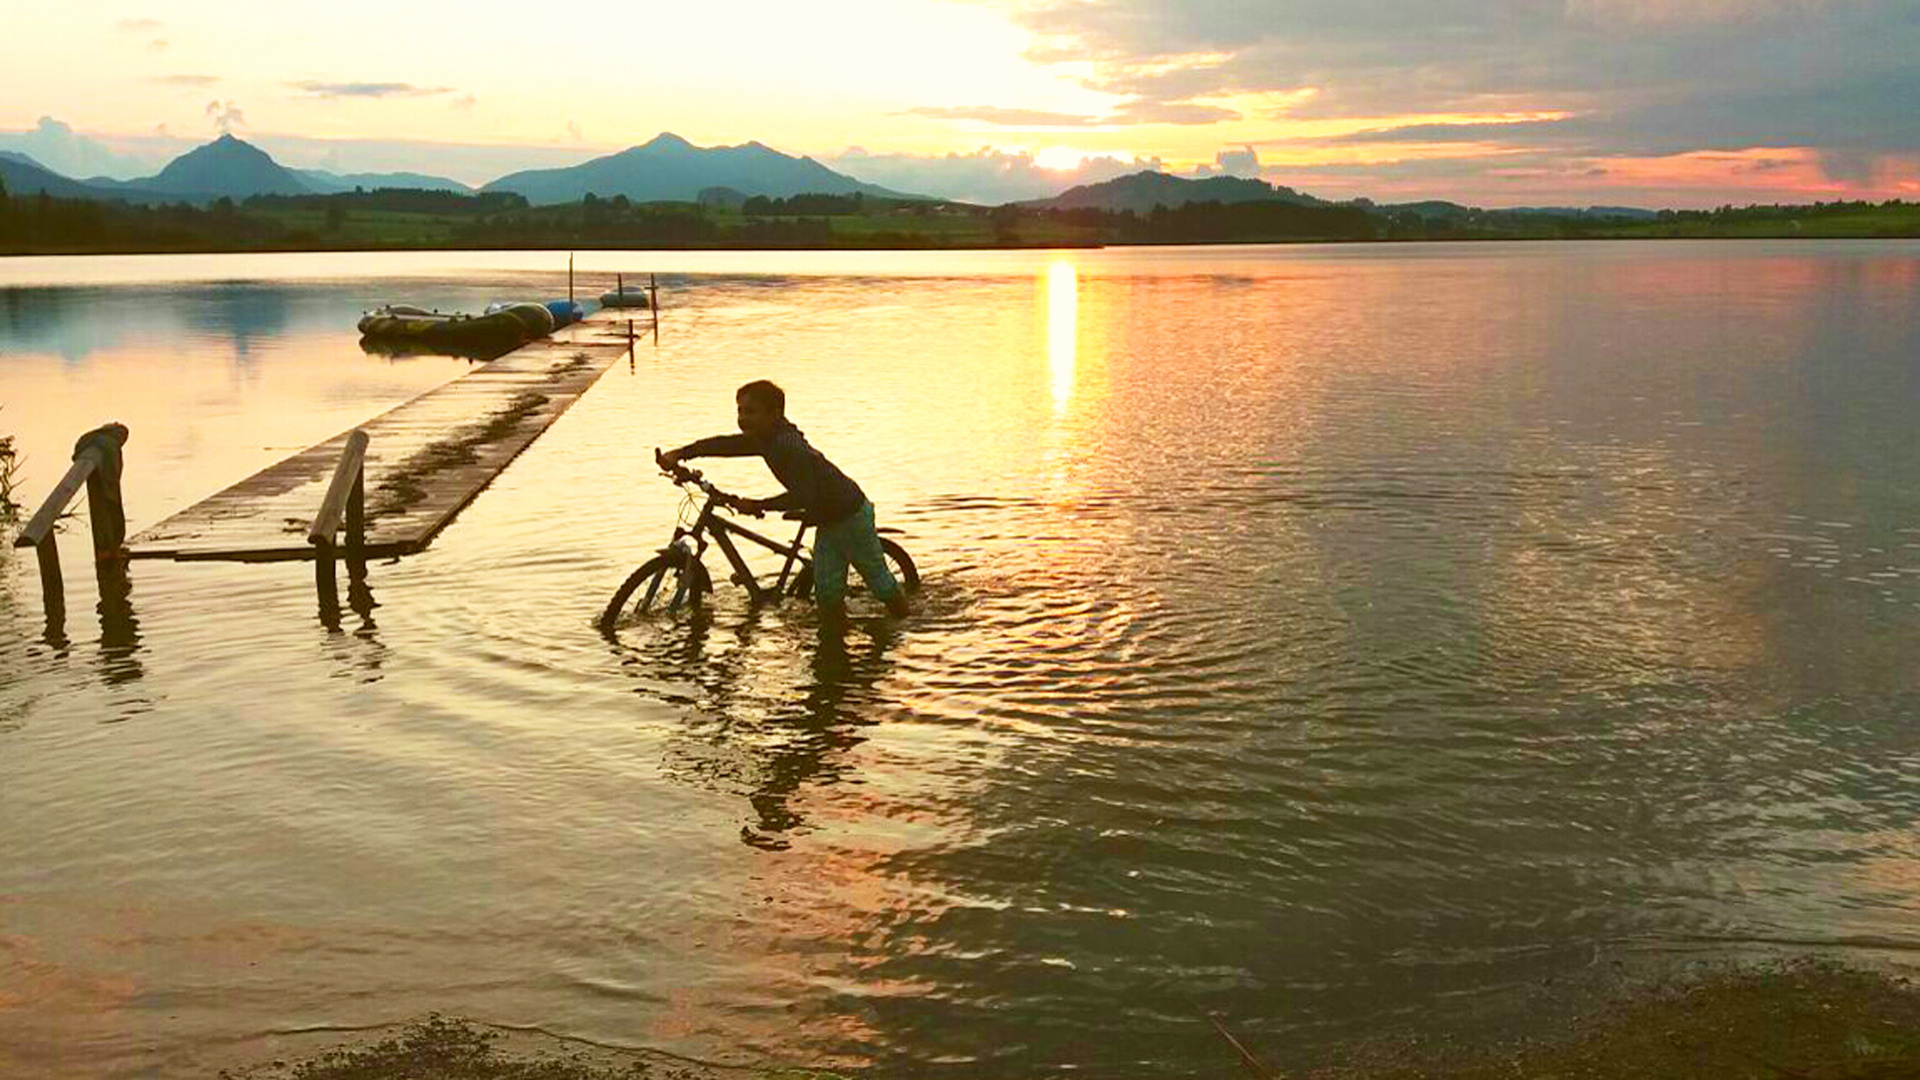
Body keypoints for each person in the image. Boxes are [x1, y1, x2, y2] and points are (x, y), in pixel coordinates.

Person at [657, 380, 910, 620]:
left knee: (880, 584)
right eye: (740, 411)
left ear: (774, 413)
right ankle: (835, 648)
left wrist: (758, 505)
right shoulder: (766, 438)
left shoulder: (787, 445)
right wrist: (682, 453)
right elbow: (726, 445)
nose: (743, 419)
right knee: (828, 597)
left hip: (849, 514)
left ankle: (901, 627)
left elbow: (803, 496)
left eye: (751, 412)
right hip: (826, 518)